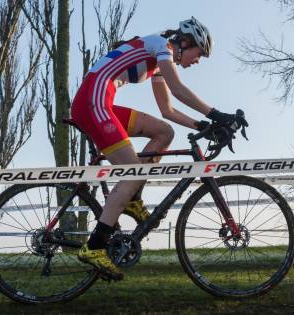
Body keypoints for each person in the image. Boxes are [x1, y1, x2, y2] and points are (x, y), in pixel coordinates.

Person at [71, 17, 237, 280]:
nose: (197, 61)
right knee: (133, 171)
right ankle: (95, 246)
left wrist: (203, 125)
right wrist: (218, 115)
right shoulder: (162, 46)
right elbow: (178, 90)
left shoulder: (160, 61)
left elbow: (167, 110)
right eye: (199, 54)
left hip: (100, 101)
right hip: (93, 102)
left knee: (163, 132)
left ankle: (132, 200)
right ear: (186, 42)